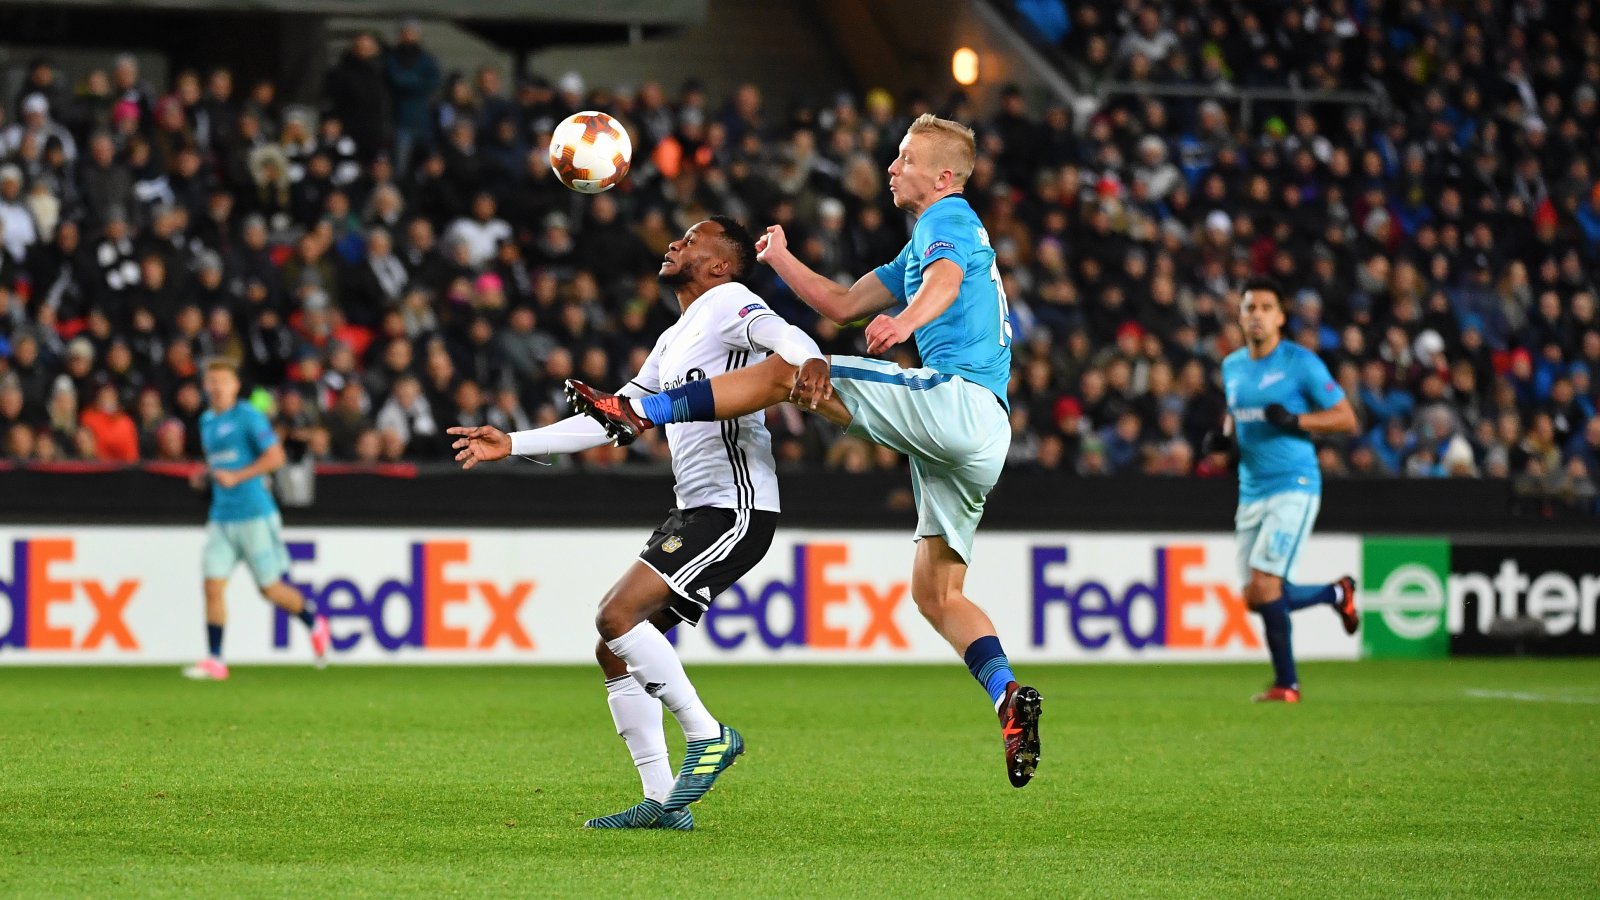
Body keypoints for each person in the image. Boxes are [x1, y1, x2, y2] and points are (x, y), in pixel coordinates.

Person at [565, 114, 1044, 788]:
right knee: (937, 593)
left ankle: (642, 410)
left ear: (942, 177)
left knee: (786, 373)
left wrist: (905, 322)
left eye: (905, 158)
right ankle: (1007, 696)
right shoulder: (921, 243)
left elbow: (944, 282)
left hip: (954, 398)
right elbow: (843, 305)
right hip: (981, 434)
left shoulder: (949, 217)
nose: (892, 168)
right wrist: (781, 258)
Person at [449, 216, 827, 828]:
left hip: (736, 506)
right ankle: (662, 802)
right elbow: (614, 419)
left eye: (693, 239)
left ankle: (707, 735)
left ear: (720, 265)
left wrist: (810, 360)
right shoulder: (672, 338)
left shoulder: (729, 301)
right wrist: (514, 442)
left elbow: (782, 332)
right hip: (696, 506)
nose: (676, 243)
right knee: (614, 651)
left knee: (615, 615)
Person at [1202, 278, 1361, 703]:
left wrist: (1297, 421)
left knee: (1266, 584)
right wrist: (1223, 440)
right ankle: (1337, 593)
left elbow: (1346, 418)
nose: (1257, 315)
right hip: (1251, 489)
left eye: (1266, 307)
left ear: (1280, 318)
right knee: (1254, 597)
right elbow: (1236, 414)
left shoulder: (1300, 363)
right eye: (1250, 307)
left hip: (1295, 483)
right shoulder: (1232, 366)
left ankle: (1286, 685)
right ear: (1240, 316)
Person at [184, 359, 330, 680]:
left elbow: (276, 457)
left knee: (270, 590)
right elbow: (220, 464)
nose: (217, 388)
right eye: (212, 382)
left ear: (235, 386)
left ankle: (314, 622)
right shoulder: (206, 421)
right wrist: (205, 477)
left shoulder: (248, 416)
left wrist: (237, 477)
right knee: (212, 586)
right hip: (221, 517)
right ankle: (215, 659)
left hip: (254, 515)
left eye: (223, 381)